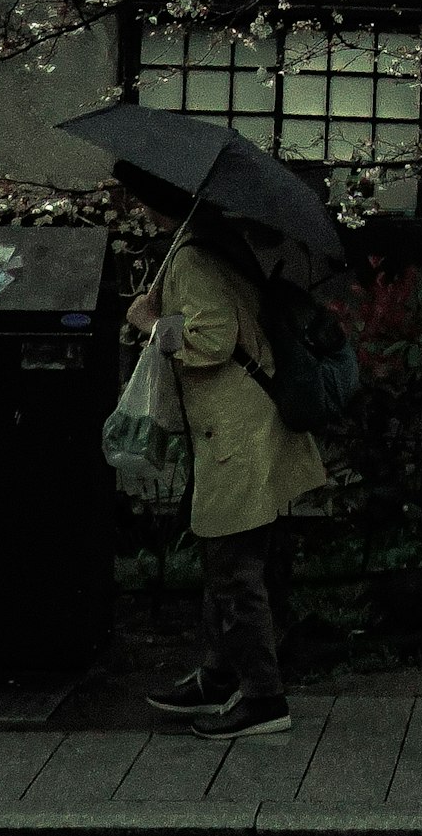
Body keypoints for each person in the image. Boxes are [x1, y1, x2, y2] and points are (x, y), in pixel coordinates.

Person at [123, 190, 328, 740]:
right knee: (227, 559)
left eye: (140, 200)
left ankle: (264, 696)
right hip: (245, 422)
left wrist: (151, 323)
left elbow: (212, 339)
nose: (137, 209)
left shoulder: (192, 255)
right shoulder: (214, 246)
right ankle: (219, 676)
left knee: (233, 568)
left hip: (235, 429)